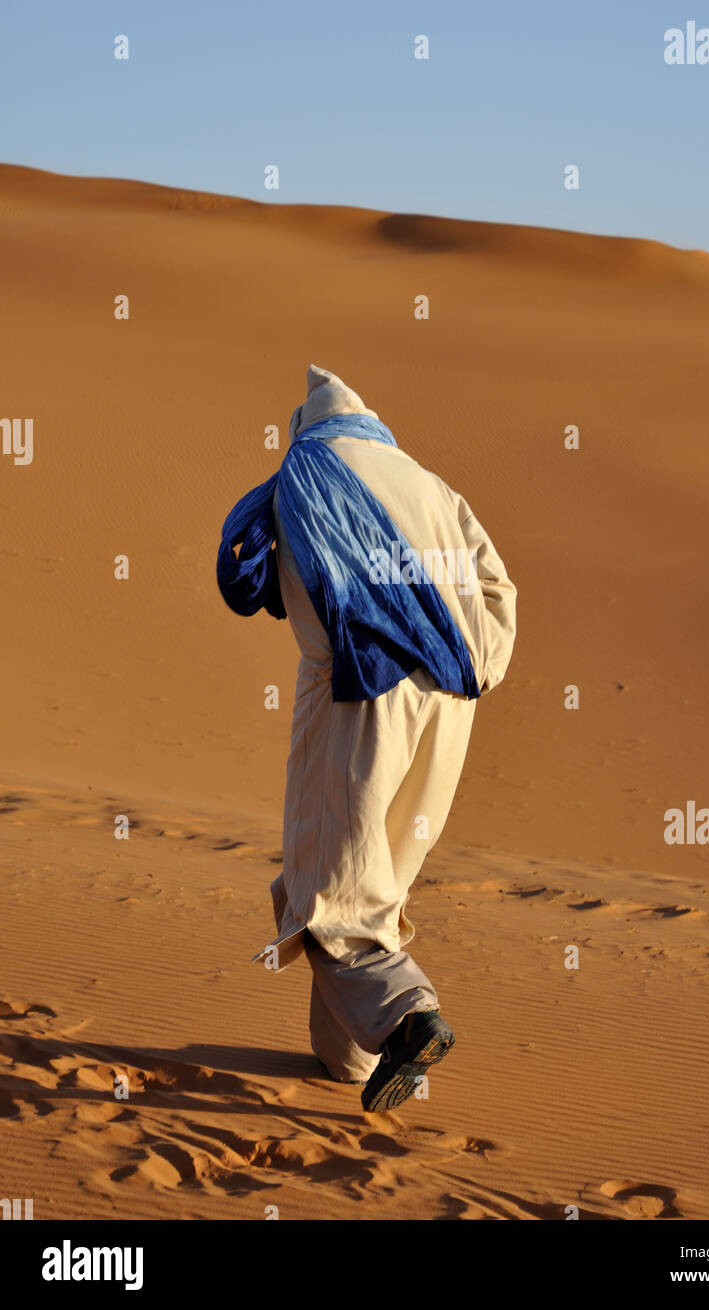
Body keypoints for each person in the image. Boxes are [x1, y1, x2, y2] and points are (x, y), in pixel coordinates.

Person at [217, 364, 516, 1111]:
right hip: (450, 701)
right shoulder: (432, 486)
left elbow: (245, 578)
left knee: (332, 886)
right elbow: (497, 590)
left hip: (355, 691)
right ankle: (349, 1063)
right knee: (375, 876)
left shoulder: (302, 474)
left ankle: (405, 1020)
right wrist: (465, 659)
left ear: (306, 424)